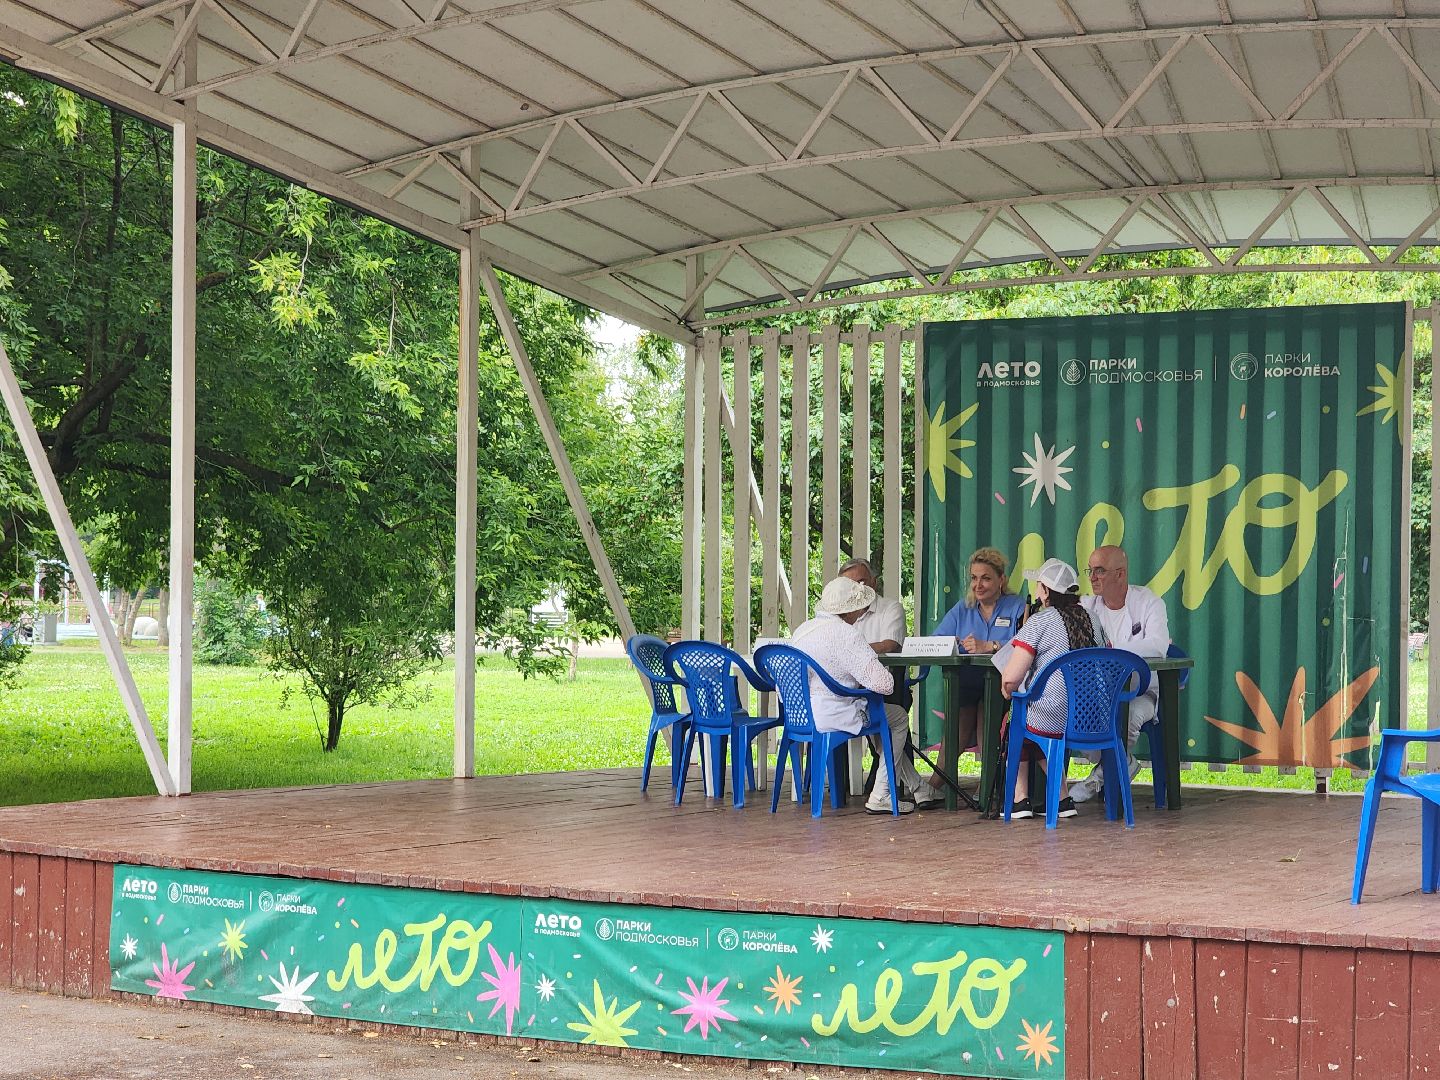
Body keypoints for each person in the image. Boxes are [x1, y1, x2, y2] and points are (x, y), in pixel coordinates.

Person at [792, 575, 928, 815]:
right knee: (896, 718)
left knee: (881, 726)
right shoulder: (846, 635)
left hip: (801, 715)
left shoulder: (803, 630)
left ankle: (918, 786)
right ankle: (881, 795)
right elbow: (884, 684)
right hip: (836, 714)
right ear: (852, 609)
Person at [915, 547, 1027, 804]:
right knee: (958, 725)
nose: (978, 584)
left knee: (984, 715)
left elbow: (1026, 643)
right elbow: (935, 641)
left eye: (986, 578)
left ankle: (985, 786)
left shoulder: (1017, 606)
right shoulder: (963, 608)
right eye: (974, 578)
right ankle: (936, 787)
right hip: (966, 680)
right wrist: (952, 642)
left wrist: (992, 646)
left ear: (1001, 579)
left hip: (1001, 681)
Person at [998, 558, 1107, 819]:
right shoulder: (1093, 618)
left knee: (1016, 719)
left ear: (1046, 591)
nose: (1035, 592)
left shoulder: (1040, 621)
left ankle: (1019, 799)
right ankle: (1060, 799)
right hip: (1094, 716)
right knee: (1031, 718)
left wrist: (1008, 689)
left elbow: (1011, 680)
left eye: (1038, 586)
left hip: (1055, 716)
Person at [1071, 545, 1170, 804]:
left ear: (1120, 574)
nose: (1092, 577)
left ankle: (1099, 779)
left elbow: (1159, 646)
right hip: (1098, 691)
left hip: (1142, 691)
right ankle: (1123, 763)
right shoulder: (1086, 605)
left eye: (1100, 571)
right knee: (1072, 714)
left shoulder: (1149, 602)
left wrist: (1113, 652)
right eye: (1090, 570)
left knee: (1125, 719)